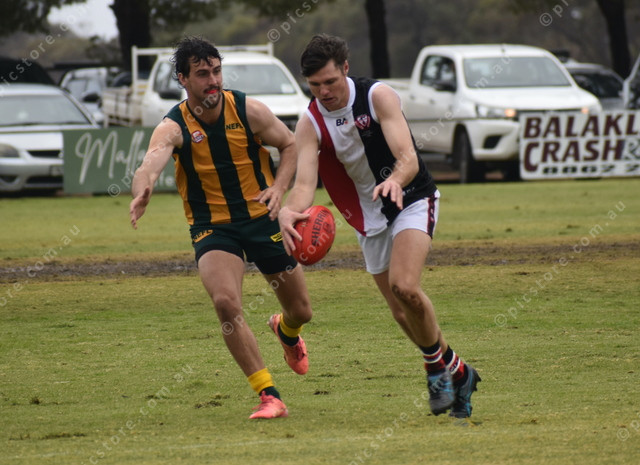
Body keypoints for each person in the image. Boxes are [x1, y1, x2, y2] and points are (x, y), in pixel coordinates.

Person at [278, 34, 480, 418]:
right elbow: (304, 185)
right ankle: (458, 371)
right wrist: (289, 211)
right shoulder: (310, 122)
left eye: (330, 81)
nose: (324, 92)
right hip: (368, 218)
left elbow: (408, 158)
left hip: (411, 198)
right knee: (402, 313)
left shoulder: (377, 97)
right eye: (315, 85)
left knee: (405, 287)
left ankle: (435, 371)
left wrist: (395, 180)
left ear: (345, 69)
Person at [129, 36, 312, 419]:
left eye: (216, 71)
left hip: (261, 219)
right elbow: (149, 164)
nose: (212, 80)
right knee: (226, 303)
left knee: (301, 310)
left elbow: (289, 144)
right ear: (183, 78)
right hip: (213, 229)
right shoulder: (173, 126)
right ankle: (269, 396)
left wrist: (279, 188)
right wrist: (143, 189)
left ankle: (286, 330)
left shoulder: (248, 110)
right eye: (201, 74)